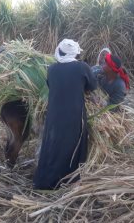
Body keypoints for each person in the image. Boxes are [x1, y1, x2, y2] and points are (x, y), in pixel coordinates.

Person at [33, 39, 97, 190]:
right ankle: (70, 180)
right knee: (74, 145)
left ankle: (46, 181)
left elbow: (51, 85)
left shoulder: (52, 68)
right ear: (75, 53)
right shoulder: (82, 67)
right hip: (74, 113)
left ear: (59, 52)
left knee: (53, 144)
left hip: (55, 114)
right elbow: (92, 85)